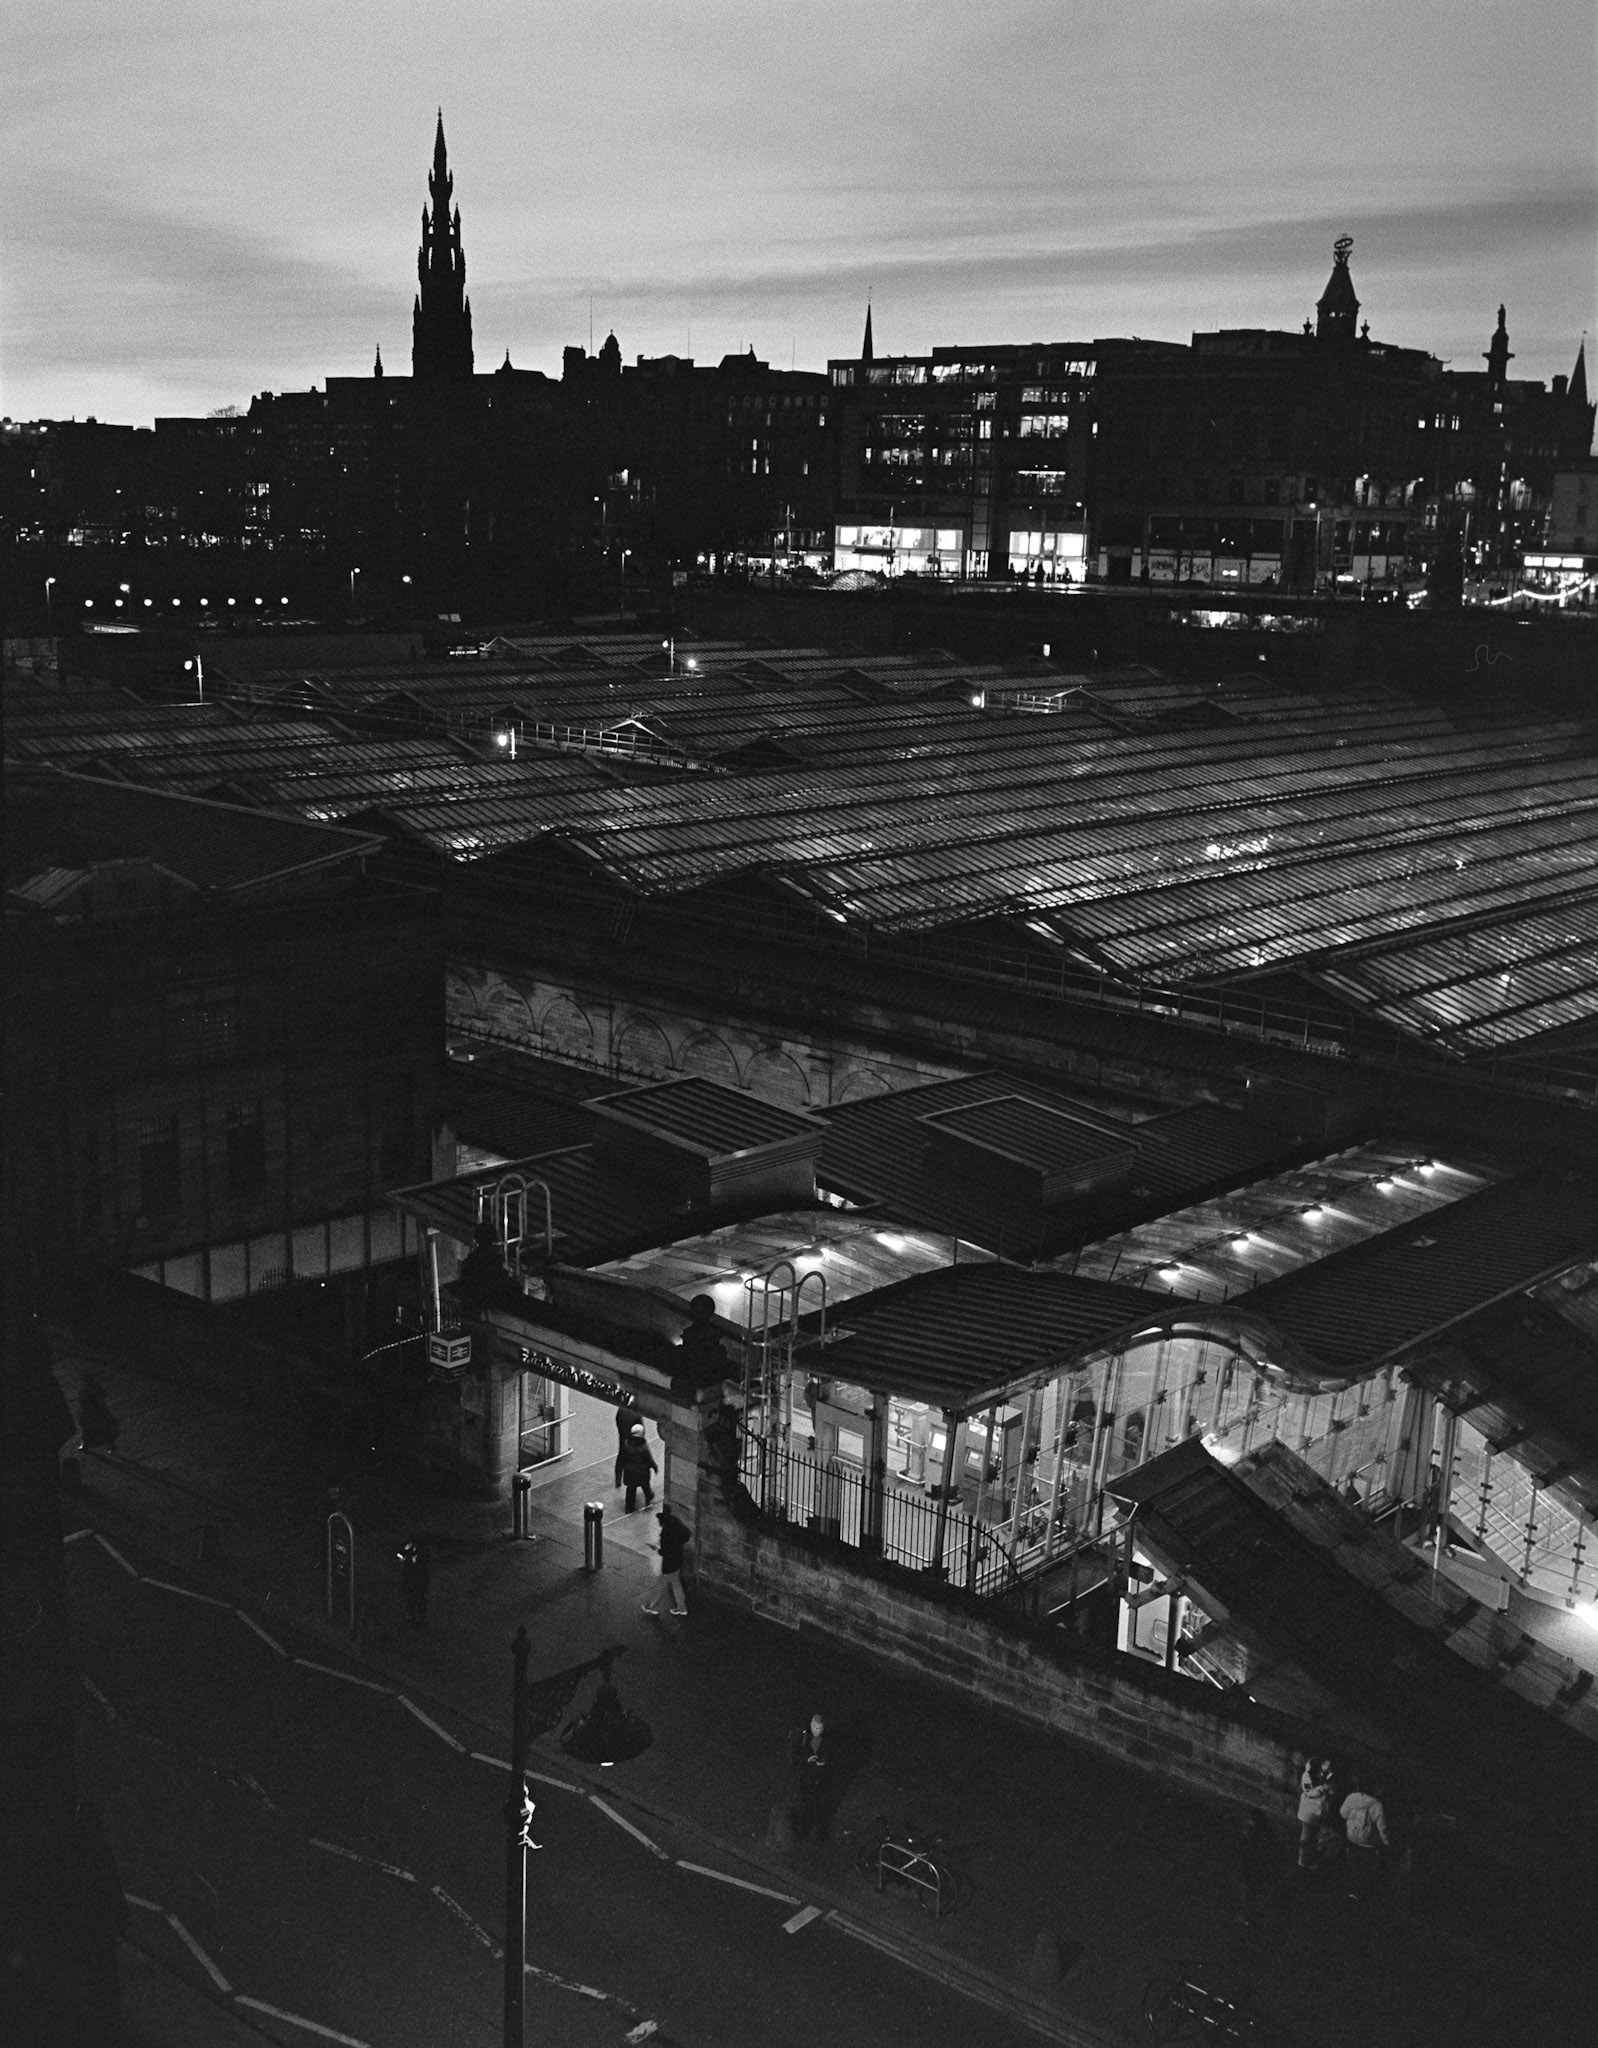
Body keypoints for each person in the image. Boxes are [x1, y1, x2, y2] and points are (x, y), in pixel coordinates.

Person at [1339, 1778, 1390, 1900]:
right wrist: (1386, 1842)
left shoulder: (1352, 1797)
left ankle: (1350, 1892)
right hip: (1368, 1843)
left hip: (1351, 1837)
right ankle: (1362, 1894)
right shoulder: (1377, 1805)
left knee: (1352, 1864)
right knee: (1365, 1869)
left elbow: (1342, 1813)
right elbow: (1382, 1828)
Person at [642, 1505, 691, 1618]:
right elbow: (686, 1534)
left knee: (662, 1586)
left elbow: (664, 1552)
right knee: (676, 1583)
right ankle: (682, 1608)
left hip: (669, 1563)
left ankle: (651, 1606)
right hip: (678, 1558)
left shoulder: (666, 1534)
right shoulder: (676, 1522)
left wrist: (655, 1548)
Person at [790, 1712, 831, 1841]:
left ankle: (818, 1831)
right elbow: (794, 1757)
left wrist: (823, 1762)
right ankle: (805, 1830)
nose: (817, 1731)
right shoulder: (803, 1737)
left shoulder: (827, 1739)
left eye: (819, 1728)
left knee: (818, 1804)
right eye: (814, 1727)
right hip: (806, 1777)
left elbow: (831, 1756)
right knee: (806, 1804)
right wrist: (806, 1760)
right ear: (810, 1725)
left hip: (820, 1778)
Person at [1296, 1757, 1334, 1870]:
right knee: (1307, 1835)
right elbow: (1309, 1792)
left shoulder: (1318, 1775)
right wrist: (1323, 1789)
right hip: (1309, 1810)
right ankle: (1304, 1858)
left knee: (1310, 1835)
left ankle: (1308, 1856)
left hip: (1313, 1811)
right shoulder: (1307, 1776)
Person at [619, 1423, 657, 1512]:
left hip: (630, 1472)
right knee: (645, 1485)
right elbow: (649, 1458)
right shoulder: (643, 1446)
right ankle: (649, 1496)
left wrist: (620, 1470)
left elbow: (622, 1457)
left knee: (631, 1490)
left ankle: (629, 1507)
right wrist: (654, 1466)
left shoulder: (626, 1444)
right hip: (642, 1472)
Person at [78, 1374, 120, 1455]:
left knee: (103, 1430)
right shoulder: (86, 1391)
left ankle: (110, 1446)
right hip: (93, 1414)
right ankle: (87, 1445)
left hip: (97, 1413)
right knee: (91, 1431)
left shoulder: (90, 1391)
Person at [398, 1537, 431, 1628]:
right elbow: (400, 1556)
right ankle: (411, 1617)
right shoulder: (409, 1549)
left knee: (420, 1598)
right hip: (409, 1577)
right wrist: (405, 1551)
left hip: (419, 1578)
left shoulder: (423, 1551)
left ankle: (421, 1619)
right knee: (410, 1599)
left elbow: (423, 1563)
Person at [613, 1394, 644, 1485]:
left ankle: (618, 1479)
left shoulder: (622, 1410)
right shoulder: (636, 1413)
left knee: (621, 1457)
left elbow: (617, 1419)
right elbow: (641, 1427)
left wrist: (621, 1432)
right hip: (633, 1440)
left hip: (623, 1437)